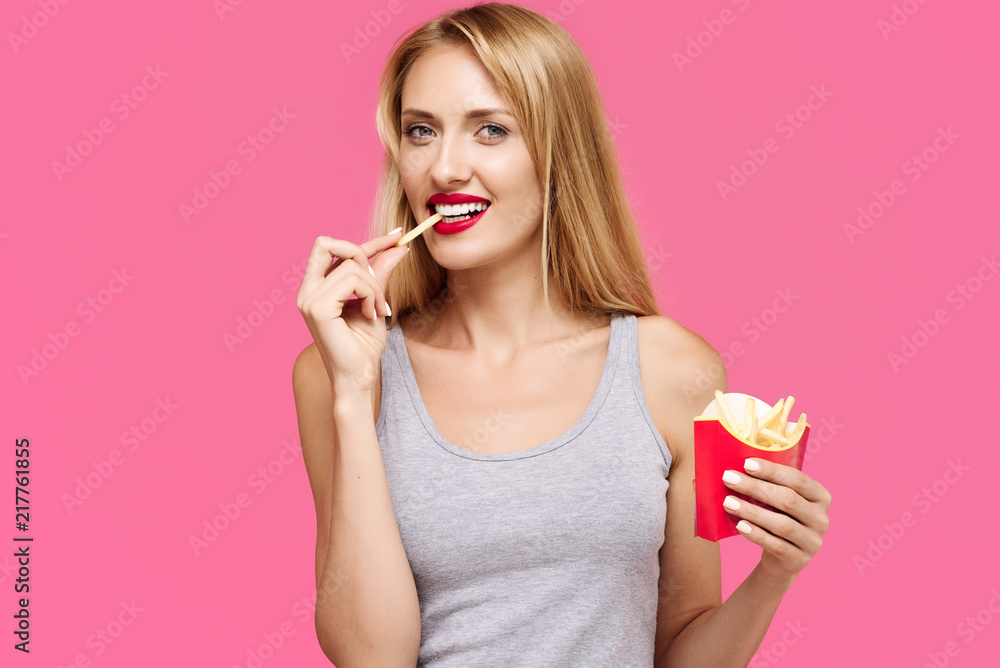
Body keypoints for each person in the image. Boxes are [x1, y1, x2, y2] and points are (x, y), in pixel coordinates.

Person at [292, 3, 832, 666]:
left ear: (559, 153)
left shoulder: (670, 371)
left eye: (491, 130)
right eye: (421, 131)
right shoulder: (337, 374)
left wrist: (774, 574)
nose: (445, 168)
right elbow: (371, 657)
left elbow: (681, 649)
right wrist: (353, 391)